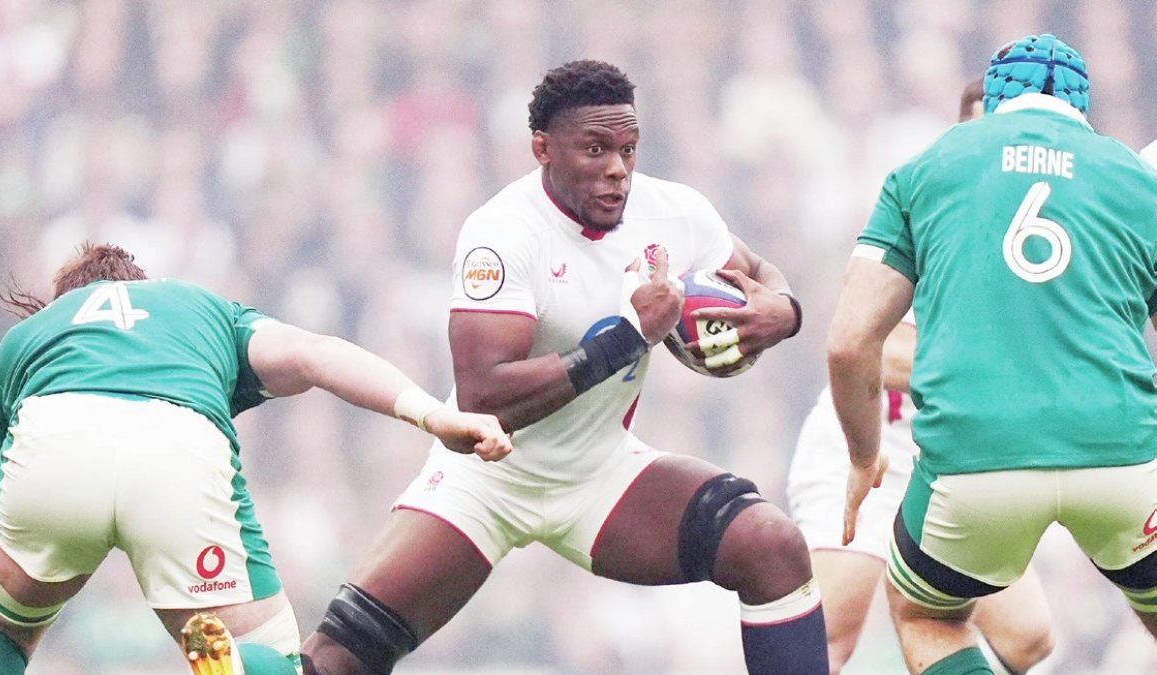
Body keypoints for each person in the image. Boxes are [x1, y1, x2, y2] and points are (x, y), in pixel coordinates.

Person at [299, 59, 827, 675]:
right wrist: (630, 336)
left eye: (628, 149)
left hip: (600, 471)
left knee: (771, 547)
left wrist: (783, 312)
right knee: (338, 659)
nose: (618, 171)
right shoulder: (501, 233)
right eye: (595, 150)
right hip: (487, 479)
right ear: (542, 149)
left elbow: (761, 274)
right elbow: (482, 400)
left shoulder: (675, 212)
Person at [0, 243, 513, 675]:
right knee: (270, 656)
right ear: (143, 284)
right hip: (174, 448)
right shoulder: (203, 309)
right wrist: (432, 416)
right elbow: (318, 354)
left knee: (1, 630)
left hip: (56, 441)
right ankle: (236, 665)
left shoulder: (30, 338)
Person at [828, 33, 1157, 675]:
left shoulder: (925, 167)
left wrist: (864, 456)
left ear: (995, 98)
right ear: (1083, 109)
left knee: (924, 613)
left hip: (974, 461)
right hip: (1120, 449)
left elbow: (847, 343)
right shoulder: (1136, 179)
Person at [787, 79, 1054, 674]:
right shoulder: (922, 209)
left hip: (962, 457)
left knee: (1028, 639)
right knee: (829, 636)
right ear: (962, 136)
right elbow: (873, 352)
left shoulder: (1046, 232)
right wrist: (994, 369)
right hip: (872, 447)